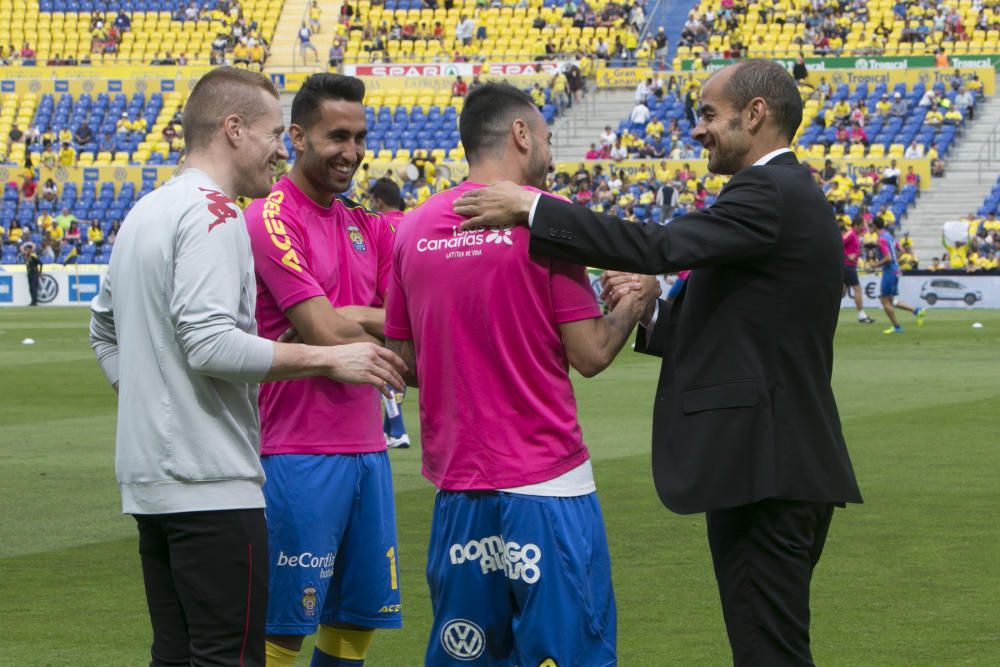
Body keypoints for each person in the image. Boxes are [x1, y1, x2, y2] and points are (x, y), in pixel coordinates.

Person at [450, 59, 863, 666]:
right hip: (770, 464)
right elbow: (733, 335)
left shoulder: (768, 192)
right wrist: (647, 310)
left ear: (755, 115)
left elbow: (659, 246)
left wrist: (532, 208)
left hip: (767, 469)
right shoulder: (776, 198)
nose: (696, 130)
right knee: (766, 645)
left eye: (708, 115)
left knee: (769, 653)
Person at [87, 67, 406, 667]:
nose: (279, 149)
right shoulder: (220, 215)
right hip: (216, 481)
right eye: (271, 134)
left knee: (179, 654)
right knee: (232, 655)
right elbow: (209, 344)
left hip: (155, 479)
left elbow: (101, 328)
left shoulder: (146, 211)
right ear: (233, 130)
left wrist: (149, 403)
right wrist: (327, 358)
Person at [385, 82, 658, 666]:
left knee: (469, 653)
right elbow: (589, 354)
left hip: (459, 487)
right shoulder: (546, 225)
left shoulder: (411, 230)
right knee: (568, 652)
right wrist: (634, 302)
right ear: (520, 134)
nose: (551, 153)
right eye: (548, 138)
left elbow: (405, 362)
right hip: (546, 482)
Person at [242, 73, 403, 667]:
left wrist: (348, 318)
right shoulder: (270, 218)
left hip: (368, 450)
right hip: (295, 453)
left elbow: (404, 341)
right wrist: (363, 322)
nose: (353, 153)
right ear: (298, 137)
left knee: (354, 626)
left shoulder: (365, 224)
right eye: (338, 136)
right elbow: (327, 336)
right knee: (285, 629)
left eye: (360, 137)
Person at [369, 177, 411, 449]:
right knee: (397, 370)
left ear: (378, 201)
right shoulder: (414, 222)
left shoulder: (378, 224)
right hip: (414, 309)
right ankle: (387, 431)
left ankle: (398, 430)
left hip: (386, 310)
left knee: (383, 372)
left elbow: (377, 274)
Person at [870, 217, 925, 334]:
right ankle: (917, 311)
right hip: (895, 270)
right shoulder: (889, 236)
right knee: (891, 300)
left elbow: (888, 257)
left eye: (871, 225)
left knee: (884, 300)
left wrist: (875, 265)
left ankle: (897, 327)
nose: (870, 227)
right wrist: (895, 260)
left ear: (875, 226)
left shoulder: (881, 240)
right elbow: (901, 250)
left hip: (889, 271)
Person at [843, 219, 874, 323]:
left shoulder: (854, 235)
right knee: (858, 289)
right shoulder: (850, 234)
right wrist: (847, 256)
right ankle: (861, 315)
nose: (863, 228)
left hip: (849, 266)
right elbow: (838, 243)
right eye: (862, 226)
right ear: (856, 225)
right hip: (848, 266)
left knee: (841, 292)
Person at [25, 241, 42, 306]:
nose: (27, 251)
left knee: (34, 287)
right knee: (30, 288)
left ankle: (35, 301)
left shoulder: (33, 256)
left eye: (28, 249)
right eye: (26, 249)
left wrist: (40, 272)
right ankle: (32, 301)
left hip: (34, 274)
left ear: (30, 250)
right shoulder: (27, 257)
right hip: (29, 274)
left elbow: (40, 263)